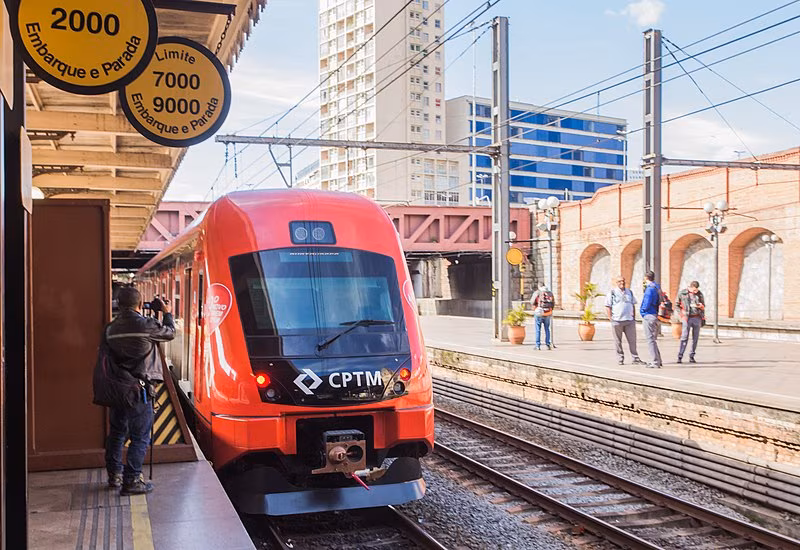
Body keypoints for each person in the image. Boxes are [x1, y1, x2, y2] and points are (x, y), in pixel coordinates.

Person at [104, 286, 175, 495]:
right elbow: (169, 333)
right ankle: (132, 480)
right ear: (139, 303)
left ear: (119, 303)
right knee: (140, 436)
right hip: (139, 389)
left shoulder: (110, 328)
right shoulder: (146, 325)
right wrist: (167, 312)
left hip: (117, 389)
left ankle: (114, 475)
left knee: (117, 433)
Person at [605, 275, 644, 366]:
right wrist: (611, 318)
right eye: (619, 281)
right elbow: (608, 306)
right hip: (617, 320)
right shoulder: (612, 293)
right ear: (616, 283)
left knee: (632, 340)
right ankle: (620, 358)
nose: (622, 283)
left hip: (629, 320)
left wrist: (633, 316)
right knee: (618, 341)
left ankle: (635, 358)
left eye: (623, 281)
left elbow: (633, 304)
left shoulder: (629, 292)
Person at [676, 281, 705, 364]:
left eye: (696, 290)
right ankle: (680, 355)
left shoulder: (699, 294)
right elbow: (676, 305)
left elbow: (703, 305)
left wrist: (701, 307)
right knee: (684, 337)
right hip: (687, 318)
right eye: (694, 290)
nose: (695, 292)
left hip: (697, 317)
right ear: (691, 287)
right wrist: (681, 314)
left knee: (695, 338)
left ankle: (692, 356)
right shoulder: (683, 293)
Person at [639, 270, 663, 368]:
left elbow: (647, 302)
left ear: (646, 278)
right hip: (655, 314)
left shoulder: (649, 289)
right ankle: (658, 360)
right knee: (652, 339)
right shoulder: (657, 287)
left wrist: (642, 312)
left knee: (650, 340)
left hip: (649, 315)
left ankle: (655, 362)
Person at [530, 283, 554, 350]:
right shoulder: (550, 293)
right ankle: (548, 344)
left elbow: (532, 302)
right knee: (547, 329)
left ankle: (537, 345)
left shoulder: (537, 292)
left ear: (539, 286)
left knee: (538, 329)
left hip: (539, 313)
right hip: (548, 313)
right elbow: (553, 303)